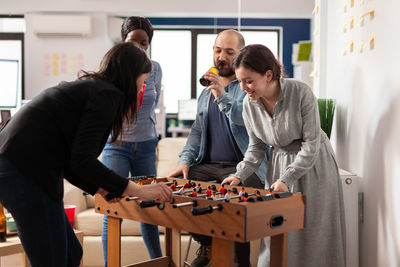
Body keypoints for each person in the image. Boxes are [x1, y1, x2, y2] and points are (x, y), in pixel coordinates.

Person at [0, 42, 173, 267]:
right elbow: (83, 161)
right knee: (52, 261)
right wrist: (140, 191)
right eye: (142, 82)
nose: (142, 89)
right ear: (131, 77)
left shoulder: (96, 89)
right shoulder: (108, 96)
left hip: (22, 167)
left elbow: (73, 160)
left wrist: (100, 188)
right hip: (22, 172)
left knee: (71, 253)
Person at [223, 44, 346, 267]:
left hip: (314, 165)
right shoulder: (248, 104)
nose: (243, 87)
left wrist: (287, 178)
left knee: (315, 234)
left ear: (268, 75)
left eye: (248, 81)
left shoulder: (301, 92)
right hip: (279, 169)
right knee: (277, 234)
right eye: (240, 81)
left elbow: (311, 143)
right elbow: (256, 147)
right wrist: (239, 175)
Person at [168, 30, 269, 267]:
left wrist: (222, 94)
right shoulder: (205, 93)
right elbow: (197, 132)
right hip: (209, 166)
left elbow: (246, 118)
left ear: (240, 55)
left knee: (235, 200)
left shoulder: (249, 87)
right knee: (181, 186)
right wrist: (184, 160)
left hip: (244, 168)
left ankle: (239, 262)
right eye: (217, 50)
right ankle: (208, 244)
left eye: (229, 52)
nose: (221, 57)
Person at [101, 16, 164, 264]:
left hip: (146, 146)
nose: (138, 47)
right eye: (132, 41)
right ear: (123, 41)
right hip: (116, 146)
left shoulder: (155, 68)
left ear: (149, 43)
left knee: (148, 208)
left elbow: (153, 103)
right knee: (112, 208)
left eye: (144, 43)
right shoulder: (113, 67)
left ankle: (158, 261)